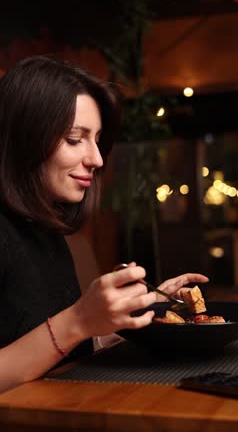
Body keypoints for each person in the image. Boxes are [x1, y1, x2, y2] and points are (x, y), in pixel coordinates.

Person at [0, 56, 208, 394]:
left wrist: (136, 312)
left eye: (96, 139)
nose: (96, 159)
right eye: (73, 138)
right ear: (24, 138)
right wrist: (79, 319)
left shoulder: (44, 229)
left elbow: (59, 349)